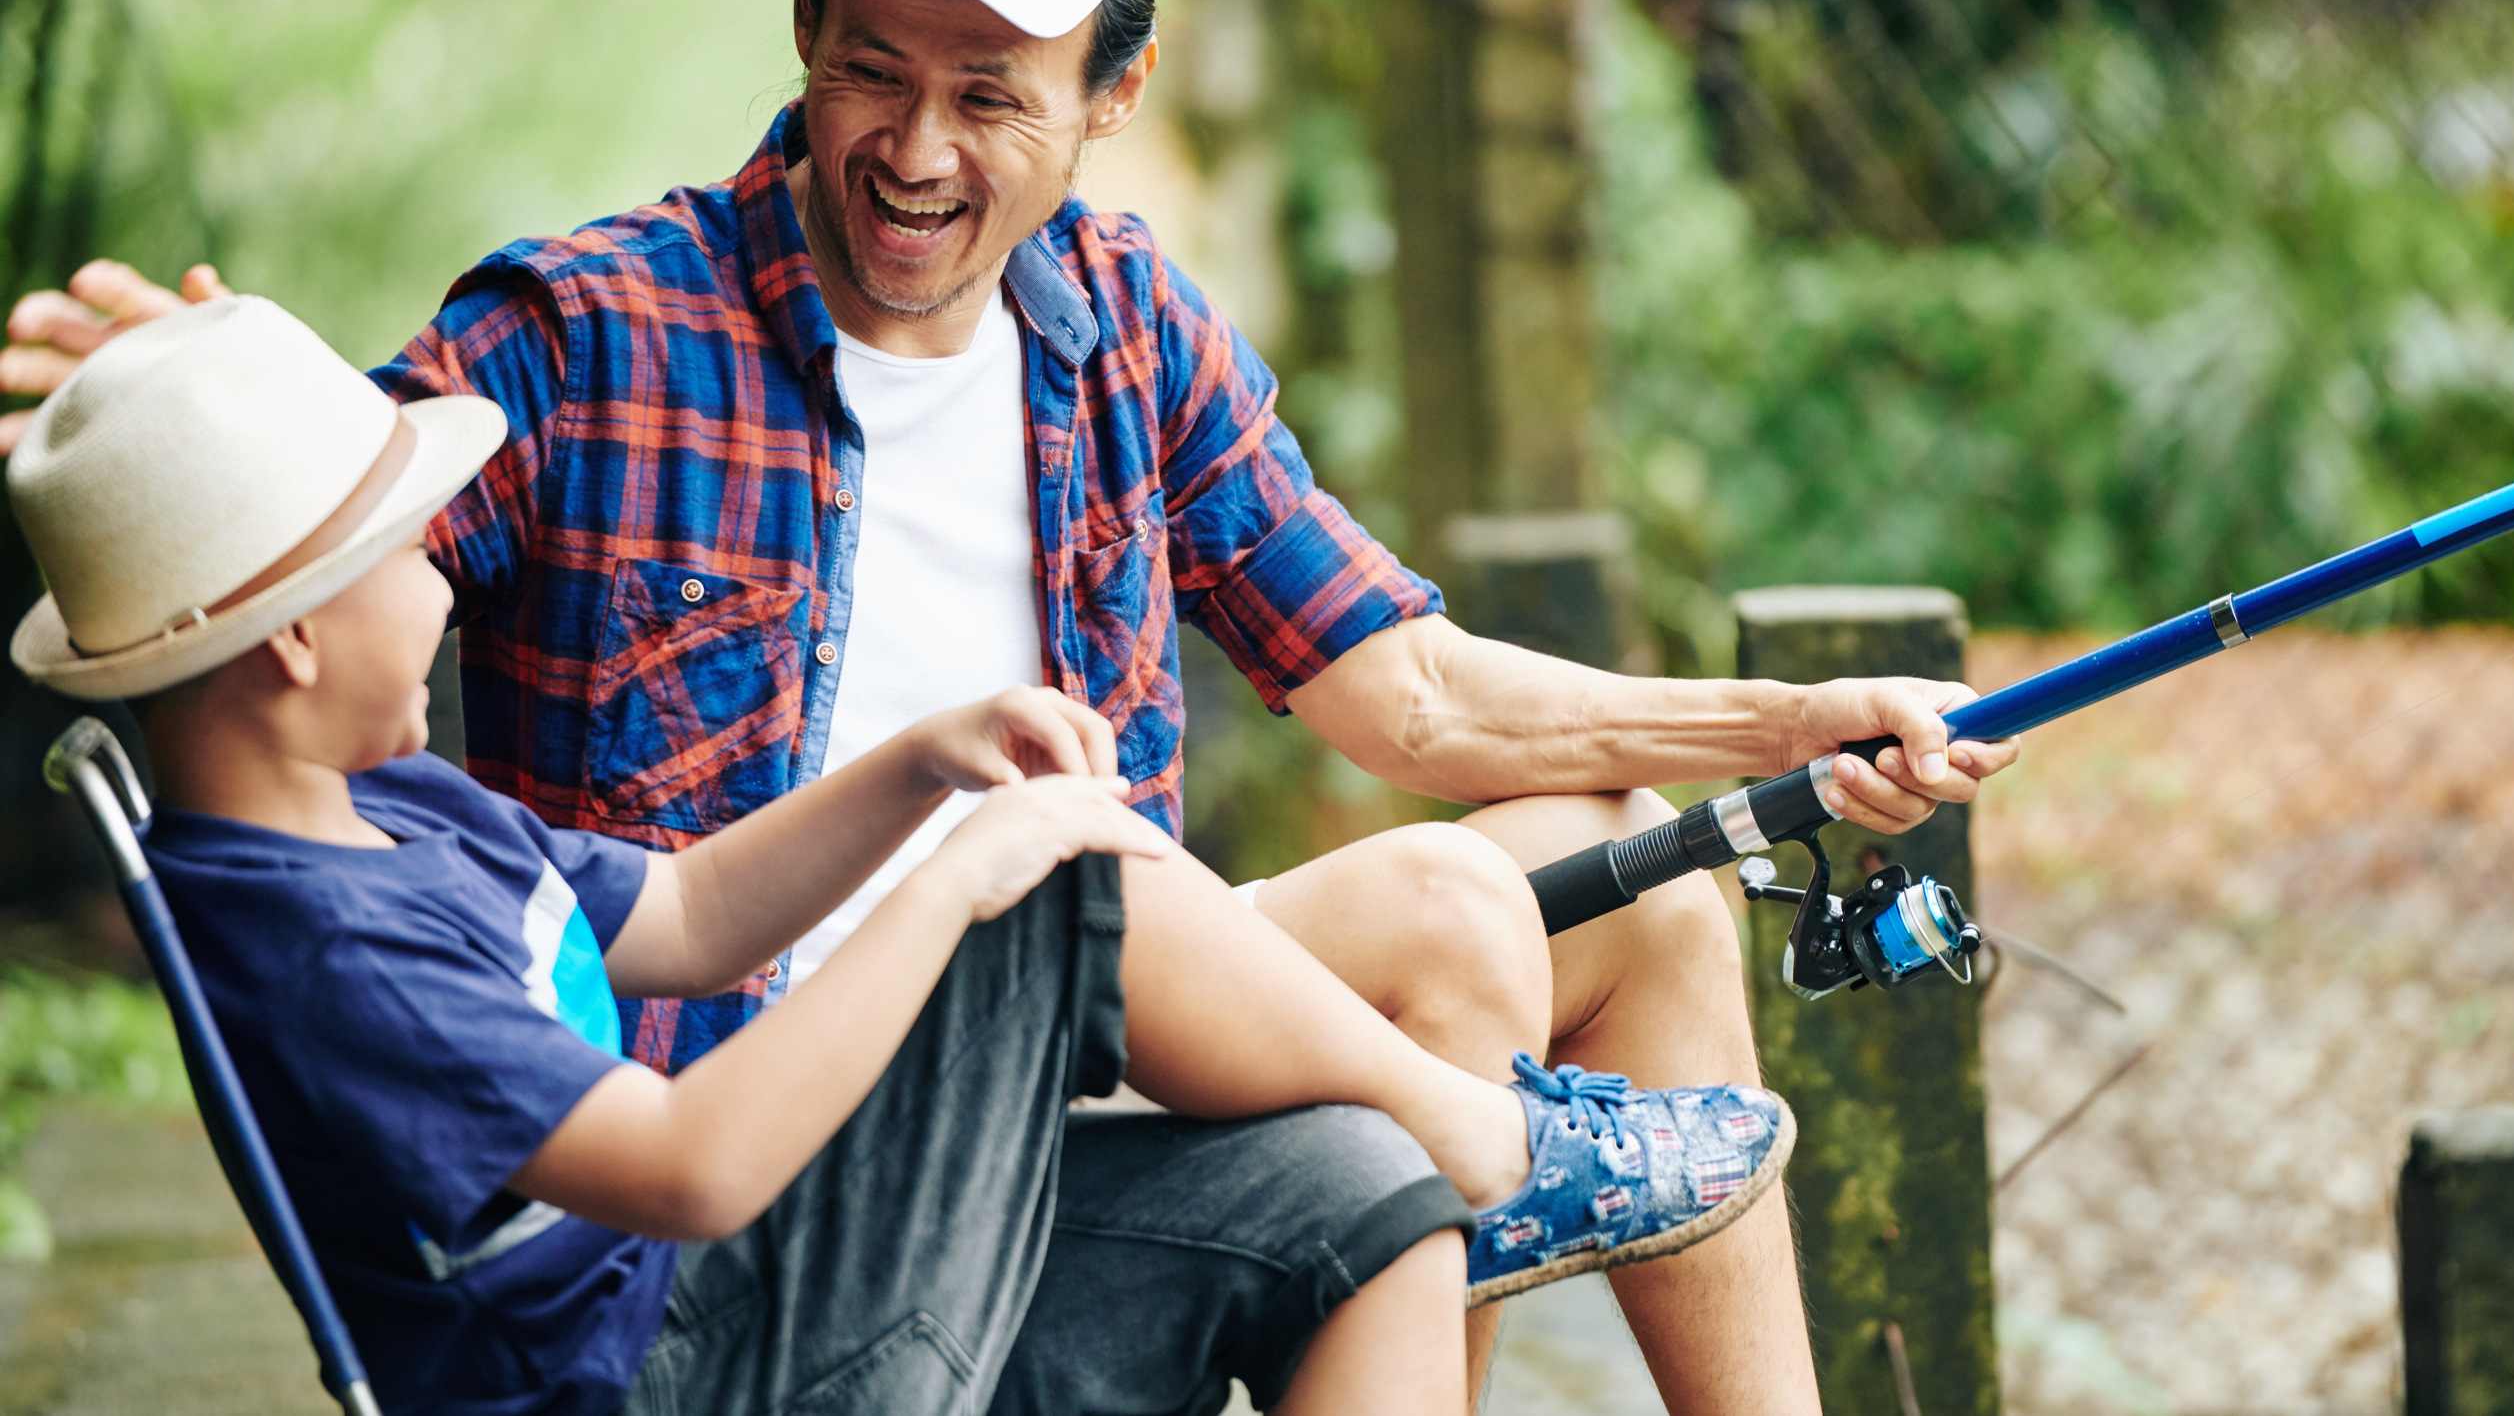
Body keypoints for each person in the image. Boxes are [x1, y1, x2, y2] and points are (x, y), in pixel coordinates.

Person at [0, 0, 2017, 1409]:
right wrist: (189, 439)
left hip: (1091, 1027)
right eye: (873, 68)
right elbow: (304, 582)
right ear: (802, 22)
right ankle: (1491, 1156)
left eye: (991, 95)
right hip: (750, 1154)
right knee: (1428, 927)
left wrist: (1787, 727)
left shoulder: (1122, 325)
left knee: (1642, 874)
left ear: (1107, 98)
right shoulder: (595, 330)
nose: (915, 148)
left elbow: (1393, 685)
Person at [6, 293, 1795, 1416]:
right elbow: (693, 1166)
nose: (442, 569)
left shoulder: (399, 814)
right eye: (414, 544)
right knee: (1068, 873)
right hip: (679, 1367)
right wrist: (963, 872)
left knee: (1353, 1203)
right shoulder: (324, 940)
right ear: (296, 638)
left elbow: (697, 912)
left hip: (743, 1317)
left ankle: (1441, 1148)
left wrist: (920, 775)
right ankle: (1490, 1129)